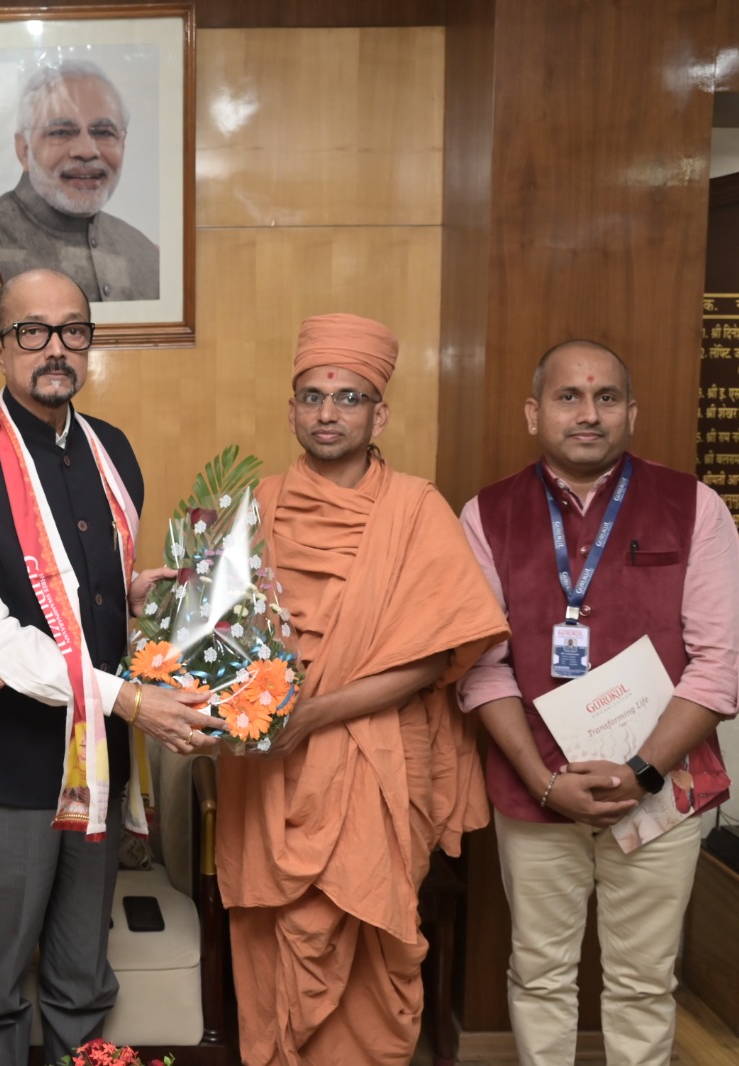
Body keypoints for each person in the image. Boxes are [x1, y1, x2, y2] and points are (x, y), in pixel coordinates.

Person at [0, 268, 216, 1063]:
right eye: (32, 331)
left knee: (84, 977)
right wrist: (126, 702)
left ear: (90, 341)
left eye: (73, 330)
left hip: (100, 769)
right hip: (4, 772)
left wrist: (141, 593)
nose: (55, 348)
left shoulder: (110, 448)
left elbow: (87, 596)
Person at [216, 314, 509, 1066]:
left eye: (349, 398)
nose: (327, 412)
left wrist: (312, 714)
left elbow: (433, 659)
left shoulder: (417, 509)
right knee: (277, 944)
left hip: (372, 759)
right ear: (291, 410)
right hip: (271, 772)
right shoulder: (254, 505)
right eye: (312, 396)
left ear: (380, 413)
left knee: (372, 948)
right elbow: (215, 642)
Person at [457, 339, 739, 1066]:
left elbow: (719, 668)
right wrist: (542, 779)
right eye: (568, 397)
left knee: (645, 981)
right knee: (539, 973)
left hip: (660, 789)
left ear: (631, 412)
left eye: (606, 397)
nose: (588, 413)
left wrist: (644, 771)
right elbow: (481, 672)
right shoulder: (486, 515)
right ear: (534, 413)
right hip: (537, 790)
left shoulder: (695, 507)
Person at [0, 61, 159, 307]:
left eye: (103, 132)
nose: (87, 151)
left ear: (123, 144)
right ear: (23, 150)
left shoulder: (148, 253)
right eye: (61, 132)